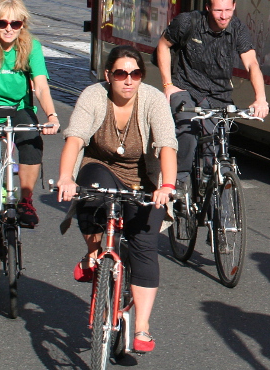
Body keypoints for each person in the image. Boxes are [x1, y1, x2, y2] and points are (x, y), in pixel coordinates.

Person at [56, 45, 177, 354]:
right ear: (109, 75)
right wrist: (66, 177)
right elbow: (75, 137)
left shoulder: (152, 100)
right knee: (91, 196)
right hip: (101, 167)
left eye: (135, 74)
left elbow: (167, 145)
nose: (128, 80)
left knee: (144, 246)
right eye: (121, 73)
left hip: (143, 179)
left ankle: (141, 328)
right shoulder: (94, 96)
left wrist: (166, 185)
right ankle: (94, 254)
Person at [156, 0, 269, 191]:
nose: (223, 16)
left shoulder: (237, 28)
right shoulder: (188, 22)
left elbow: (252, 63)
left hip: (219, 94)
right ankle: (179, 181)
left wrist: (260, 98)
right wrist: (167, 85)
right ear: (208, 8)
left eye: (228, 10)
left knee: (217, 143)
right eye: (218, 10)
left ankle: (214, 189)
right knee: (188, 130)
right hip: (185, 88)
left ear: (234, 6)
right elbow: (163, 45)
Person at [0, 0, 60, 227]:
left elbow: (41, 86)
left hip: (18, 108)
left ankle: (26, 200)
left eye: (15, 24)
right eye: (2, 23)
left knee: (31, 142)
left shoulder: (31, 46)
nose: (9, 29)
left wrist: (52, 116)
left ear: (23, 25)